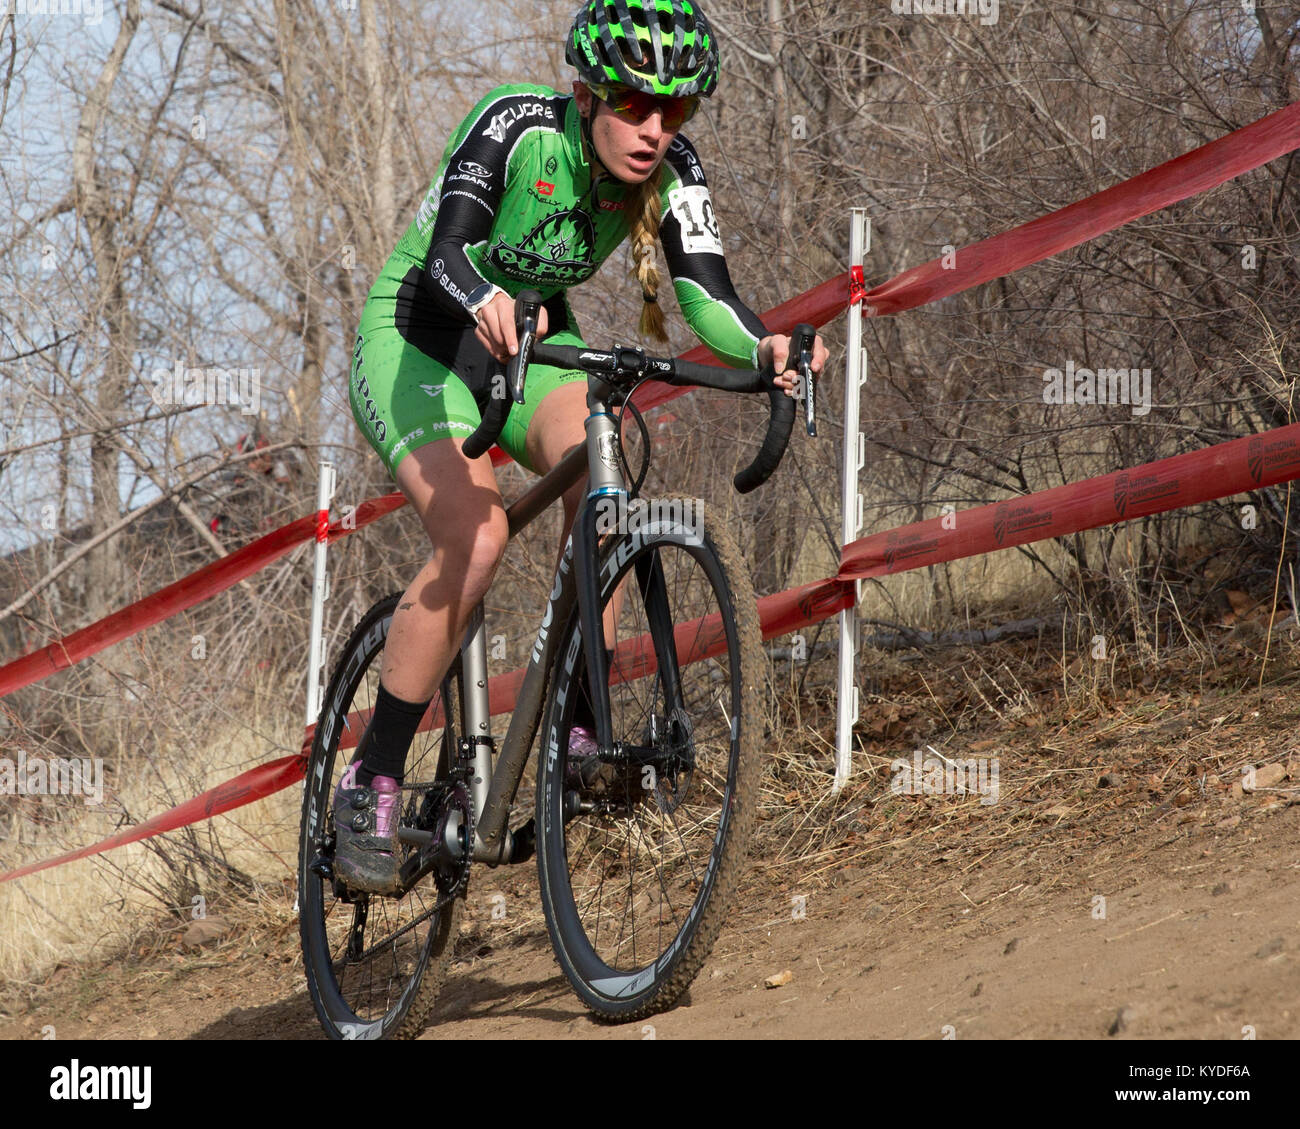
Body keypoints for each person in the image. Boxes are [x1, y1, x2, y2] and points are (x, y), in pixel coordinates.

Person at [338, 0, 828, 893]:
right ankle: (369, 777)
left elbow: (706, 295)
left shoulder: (671, 166)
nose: (655, 129)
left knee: (600, 484)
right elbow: (448, 250)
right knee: (477, 536)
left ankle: (574, 726)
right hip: (419, 335)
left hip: (531, 340)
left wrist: (767, 347)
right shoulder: (516, 127)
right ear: (588, 93)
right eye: (636, 105)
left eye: (674, 110)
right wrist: (486, 292)